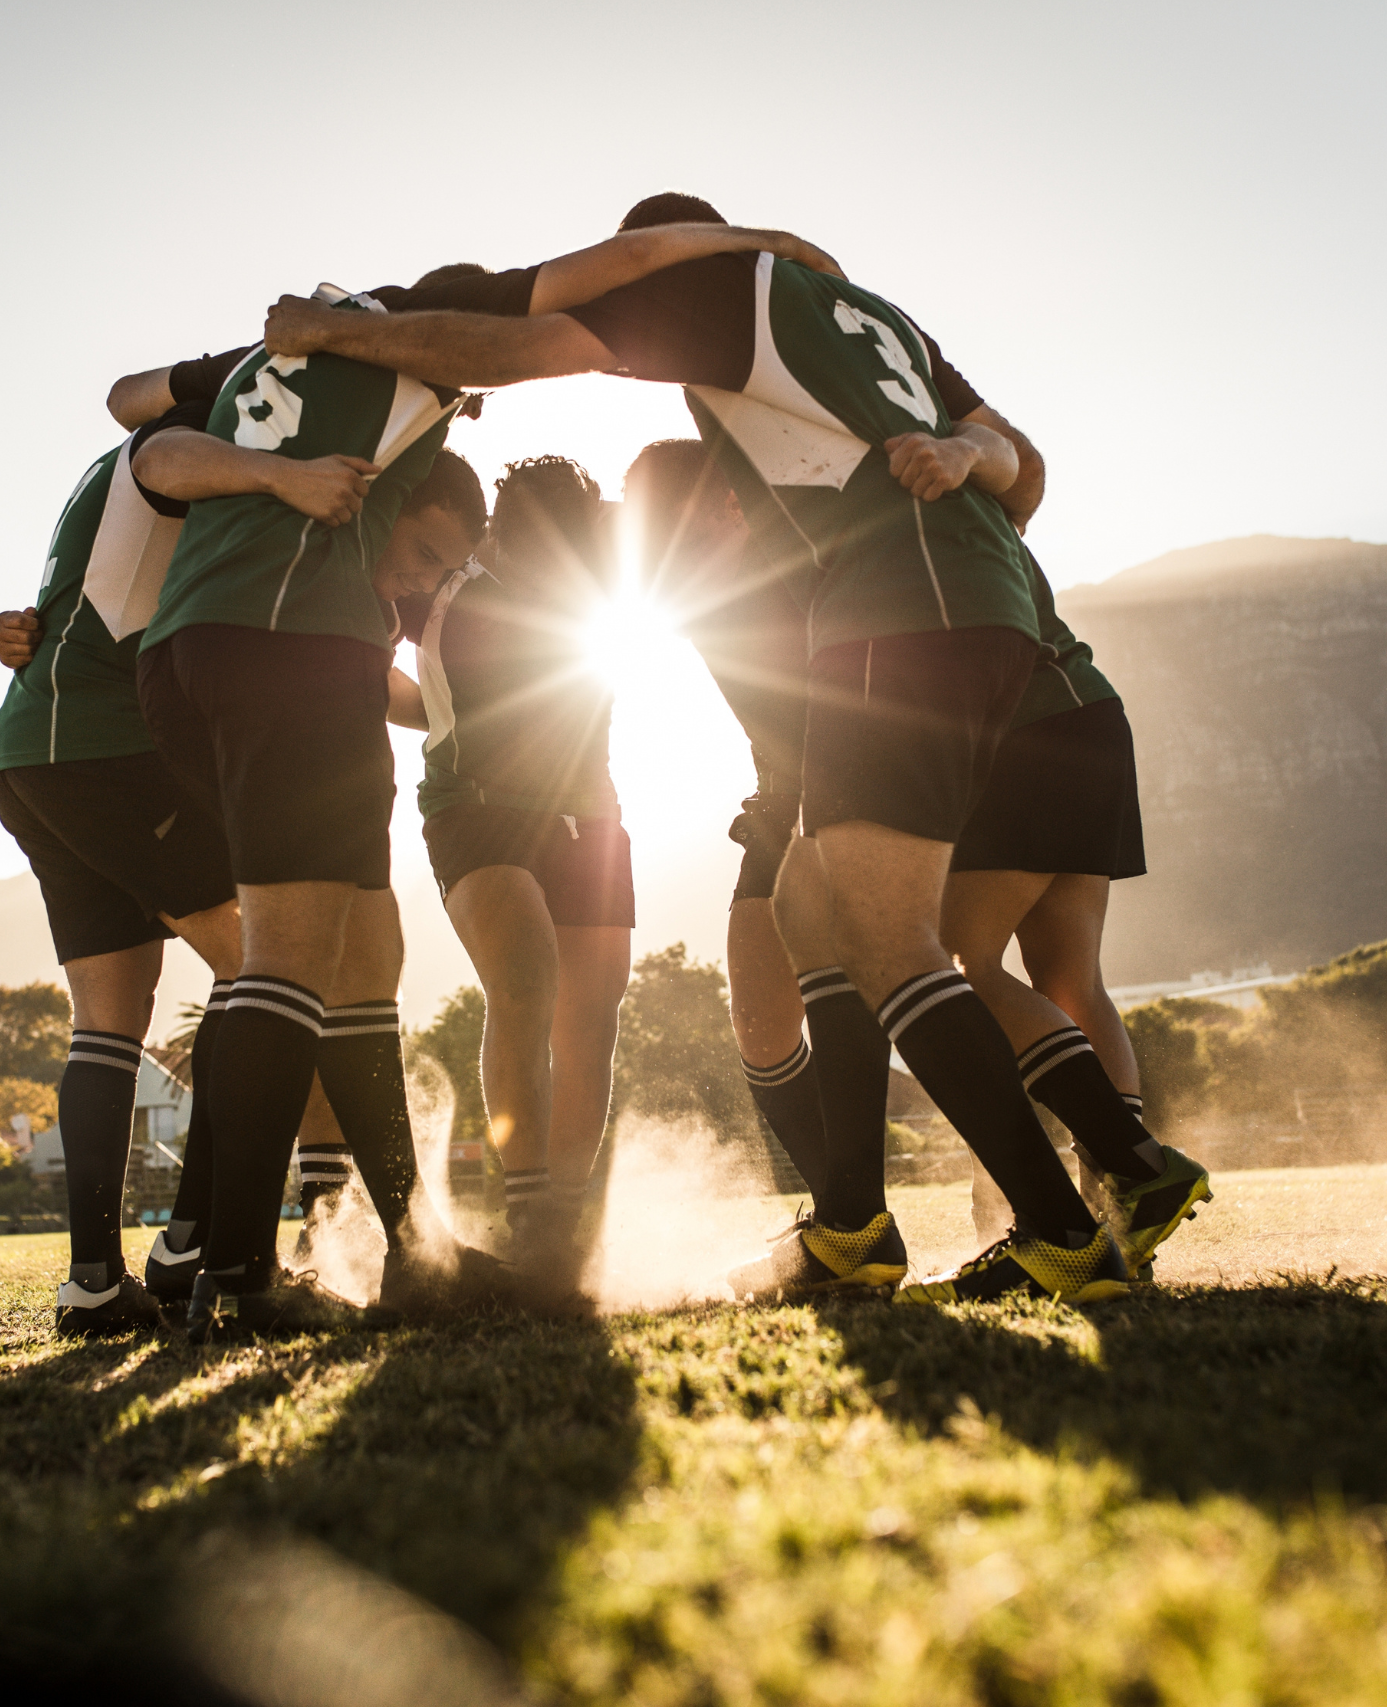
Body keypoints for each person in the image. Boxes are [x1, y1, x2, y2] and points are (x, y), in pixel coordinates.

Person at [259, 196, 1193, 1307]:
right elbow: (1024, 474)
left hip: (892, 616)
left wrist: (343, 336)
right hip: (990, 614)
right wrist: (956, 472)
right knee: (816, 911)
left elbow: (517, 343)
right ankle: (859, 1219)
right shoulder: (877, 323)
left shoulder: (719, 290)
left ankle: (1079, 1215)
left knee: (894, 944)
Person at [0, 349, 370, 1337]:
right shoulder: (188, 447)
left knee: (110, 1019)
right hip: (100, 746)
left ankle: (94, 1285)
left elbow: (128, 405)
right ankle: (195, 1243)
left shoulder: (130, 457)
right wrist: (285, 474)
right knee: (264, 969)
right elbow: (158, 446)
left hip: (39, 748)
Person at [391, 455, 631, 1290]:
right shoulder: (443, 585)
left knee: (592, 1017)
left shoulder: (598, 588)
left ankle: (562, 1218)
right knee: (526, 980)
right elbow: (372, 657)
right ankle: (529, 1214)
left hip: (590, 817)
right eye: (508, 522)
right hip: (476, 805)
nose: (515, 538)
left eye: (542, 528)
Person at [941, 606, 1214, 1272]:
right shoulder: (982, 513)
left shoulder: (908, 519)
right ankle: (1119, 1220)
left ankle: (1126, 1168)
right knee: (1071, 978)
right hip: (1089, 713)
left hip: (1020, 728)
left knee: (953, 967)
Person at [618, 439, 832, 1219]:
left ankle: (1051, 1181)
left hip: (865, 789)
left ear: (729, 500)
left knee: (911, 987)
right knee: (760, 1019)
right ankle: (844, 1206)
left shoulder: (805, 555)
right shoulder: (680, 586)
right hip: (781, 800)